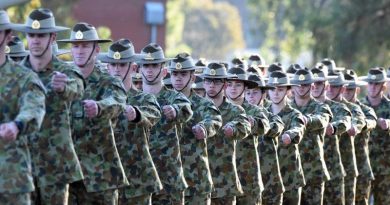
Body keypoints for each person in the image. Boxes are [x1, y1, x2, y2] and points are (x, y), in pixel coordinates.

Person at [15, 8, 85, 205]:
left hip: (56, 166)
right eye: (31, 35)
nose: (35, 40)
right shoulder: (16, 73)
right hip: (22, 165)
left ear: (52, 37)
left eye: (41, 35)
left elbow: (78, 87)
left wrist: (64, 87)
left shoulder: (65, 71)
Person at [59, 22, 129, 204]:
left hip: (101, 177)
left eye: (85, 46)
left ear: (96, 50)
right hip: (68, 175)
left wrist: (99, 107)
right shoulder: (61, 80)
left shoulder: (109, 82)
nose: (80, 51)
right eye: (76, 46)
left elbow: (117, 102)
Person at [98, 38, 163, 205]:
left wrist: (137, 114)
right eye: (113, 65)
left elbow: (153, 113)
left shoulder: (143, 98)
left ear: (133, 68)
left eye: (122, 64)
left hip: (137, 180)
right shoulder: (99, 98)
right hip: (105, 178)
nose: (117, 69)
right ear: (107, 67)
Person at [0, 9, 46, 205]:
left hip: (12, 180)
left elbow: (34, 105)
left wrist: (17, 125)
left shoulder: (24, 77)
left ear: (8, 35)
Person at [138, 43, 193, 205]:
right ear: (139, 69)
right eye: (146, 65)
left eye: (154, 65)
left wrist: (175, 111)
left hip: (169, 181)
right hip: (139, 180)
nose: (149, 69)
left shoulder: (174, 97)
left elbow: (186, 109)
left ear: (164, 70)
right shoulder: (132, 99)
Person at [170, 53, 222, 205]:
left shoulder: (203, 104)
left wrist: (204, 128)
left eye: (183, 74)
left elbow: (214, 119)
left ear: (192, 78)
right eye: (175, 74)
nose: (178, 78)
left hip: (196, 180)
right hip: (168, 180)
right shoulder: (161, 100)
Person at [201, 63, 251, 205]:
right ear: (203, 83)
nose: (212, 85)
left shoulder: (235, 110)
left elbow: (245, 126)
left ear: (224, 85)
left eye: (217, 81)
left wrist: (233, 129)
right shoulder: (193, 107)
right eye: (208, 81)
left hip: (225, 182)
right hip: (198, 181)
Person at [225, 66, 270, 205]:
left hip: (248, 177)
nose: (233, 88)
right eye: (230, 84)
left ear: (245, 87)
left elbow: (265, 126)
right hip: (223, 178)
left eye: (238, 84)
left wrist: (252, 122)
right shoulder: (217, 108)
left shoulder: (253, 110)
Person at [290, 69, 332, 205]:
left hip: (313, 172)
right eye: (298, 85)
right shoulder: (286, 109)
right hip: (289, 172)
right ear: (292, 87)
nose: (301, 88)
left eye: (305, 85)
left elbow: (322, 119)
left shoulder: (321, 107)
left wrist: (307, 120)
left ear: (312, 87)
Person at [311, 67, 352, 205]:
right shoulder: (300, 108)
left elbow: (345, 121)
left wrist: (334, 127)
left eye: (319, 83)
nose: (315, 86)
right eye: (313, 83)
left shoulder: (337, 107)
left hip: (332, 168)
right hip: (309, 171)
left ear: (326, 86)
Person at [244, 73, 285, 205]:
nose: (251, 97)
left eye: (255, 93)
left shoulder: (271, 116)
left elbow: (276, 127)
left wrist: (258, 124)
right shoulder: (238, 115)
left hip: (269, 179)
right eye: (248, 93)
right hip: (247, 179)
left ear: (263, 94)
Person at [266, 71, 306, 205]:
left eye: (280, 89)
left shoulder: (295, 114)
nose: (276, 93)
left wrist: (289, 135)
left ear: (288, 91)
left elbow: (298, 128)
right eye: (272, 89)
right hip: (267, 178)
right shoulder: (262, 113)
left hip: (290, 177)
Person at [327, 71, 366, 205]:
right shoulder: (320, 106)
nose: (331, 89)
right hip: (323, 166)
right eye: (329, 86)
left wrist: (354, 127)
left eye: (335, 87)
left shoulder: (352, 108)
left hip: (346, 164)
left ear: (342, 88)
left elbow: (359, 121)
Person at [343, 69, 376, 205]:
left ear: (357, 90)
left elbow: (370, 122)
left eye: (350, 90)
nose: (346, 92)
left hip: (360, 167)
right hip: (340, 167)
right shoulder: (333, 109)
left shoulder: (366, 110)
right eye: (344, 89)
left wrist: (357, 126)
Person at [360, 67, 390, 205]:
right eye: (370, 83)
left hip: (385, 168)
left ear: (383, 86)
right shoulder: (359, 107)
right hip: (363, 166)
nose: (372, 87)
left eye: (376, 84)